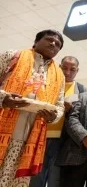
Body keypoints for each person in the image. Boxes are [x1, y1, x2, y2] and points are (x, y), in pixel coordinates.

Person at [0, 29, 65, 187]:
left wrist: (53, 116)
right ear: (36, 42)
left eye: (58, 44)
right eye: (49, 40)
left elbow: (59, 105)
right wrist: (3, 98)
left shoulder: (59, 75)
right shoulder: (13, 56)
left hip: (29, 141)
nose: (53, 44)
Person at [30, 56, 87, 187]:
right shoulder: (47, 84)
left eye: (72, 69)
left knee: (56, 180)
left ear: (77, 71)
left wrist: (71, 111)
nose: (67, 72)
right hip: (40, 137)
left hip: (64, 143)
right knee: (35, 178)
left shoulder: (83, 92)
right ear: (59, 67)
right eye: (64, 68)